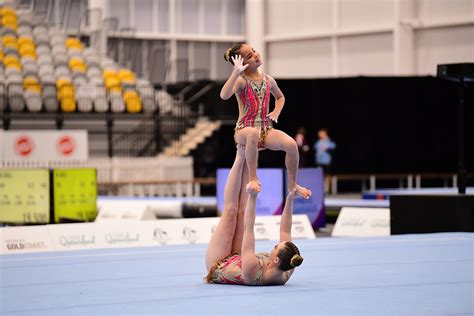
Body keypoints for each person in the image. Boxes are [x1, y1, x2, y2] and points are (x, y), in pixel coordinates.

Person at [219, 43, 311, 198]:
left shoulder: (268, 80)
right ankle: (253, 179)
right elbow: (224, 95)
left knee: (291, 145)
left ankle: (293, 185)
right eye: (249, 56)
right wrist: (235, 73)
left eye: (253, 51)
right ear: (242, 64)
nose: (255, 54)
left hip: (266, 131)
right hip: (243, 130)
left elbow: (280, 97)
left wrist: (276, 111)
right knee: (252, 133)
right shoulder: (241, 81)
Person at [205, 145, 304, 285]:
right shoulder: (288, 266)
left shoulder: (252, 271)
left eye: (276, 247)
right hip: (239, 257)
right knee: (241, 212)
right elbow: (285, 230)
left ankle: (240, 154)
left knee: (231, 212)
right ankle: (250, 153)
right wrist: (290, 198)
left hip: (218, 263)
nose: (274, 247)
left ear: (276, 260)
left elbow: (249, 227)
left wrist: (253, 196)